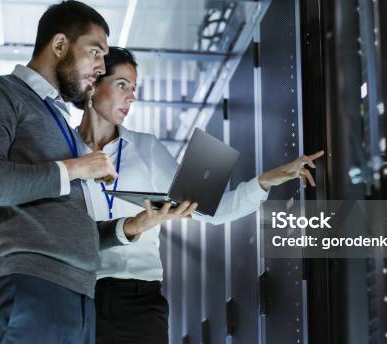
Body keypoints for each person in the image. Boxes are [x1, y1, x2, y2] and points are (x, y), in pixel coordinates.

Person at [0, 3, 196, 343]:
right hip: (35, 287)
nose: (100, 66)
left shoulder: (58, 122)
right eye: (95, 52)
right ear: (59, 46)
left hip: (80, 295)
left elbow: (69, 225)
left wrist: (131, 227)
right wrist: (76, 167)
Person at [72, 47, 324, 344]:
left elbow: (212, 210)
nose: (131, 97)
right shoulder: (62, 151)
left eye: (134, 89)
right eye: (122, 85)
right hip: (77, 296)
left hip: (138, 300)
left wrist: (266, 181)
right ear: (93, 85)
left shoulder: (145, 148)